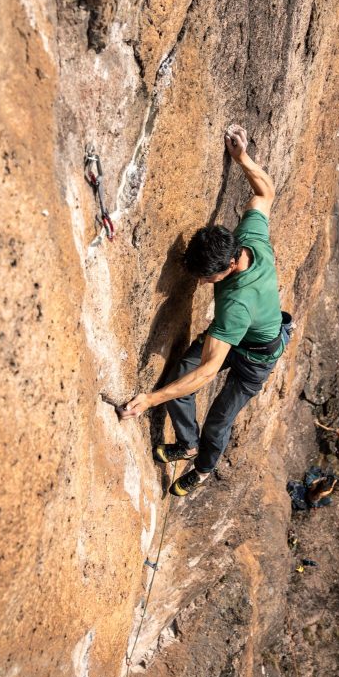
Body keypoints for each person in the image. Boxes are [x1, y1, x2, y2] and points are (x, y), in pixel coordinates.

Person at [120, 125, 290, 497]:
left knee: (218, 421)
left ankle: (203, 467)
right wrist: (241, 157)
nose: (199, 283)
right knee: (181, 371)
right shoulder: (249, 238)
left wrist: (149, 400)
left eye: (204, 277)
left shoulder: (235, 303)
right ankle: (187, 442)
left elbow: (209, 371)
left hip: (256, 356)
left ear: (228, 266)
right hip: (243, 331)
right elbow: (265, 192)